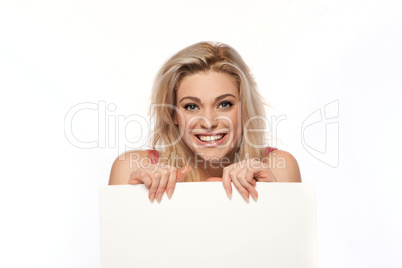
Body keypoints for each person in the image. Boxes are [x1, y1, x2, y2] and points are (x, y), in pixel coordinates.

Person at [109, 41, 301, 202]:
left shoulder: (277, 167)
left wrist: (273, 198)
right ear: (173, 114)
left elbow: (293, 246)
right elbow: (120, 246)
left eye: (224, 104)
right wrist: (134, 201)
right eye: (191, 106)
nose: (209, 122)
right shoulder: (131, 168)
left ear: (245, 109)